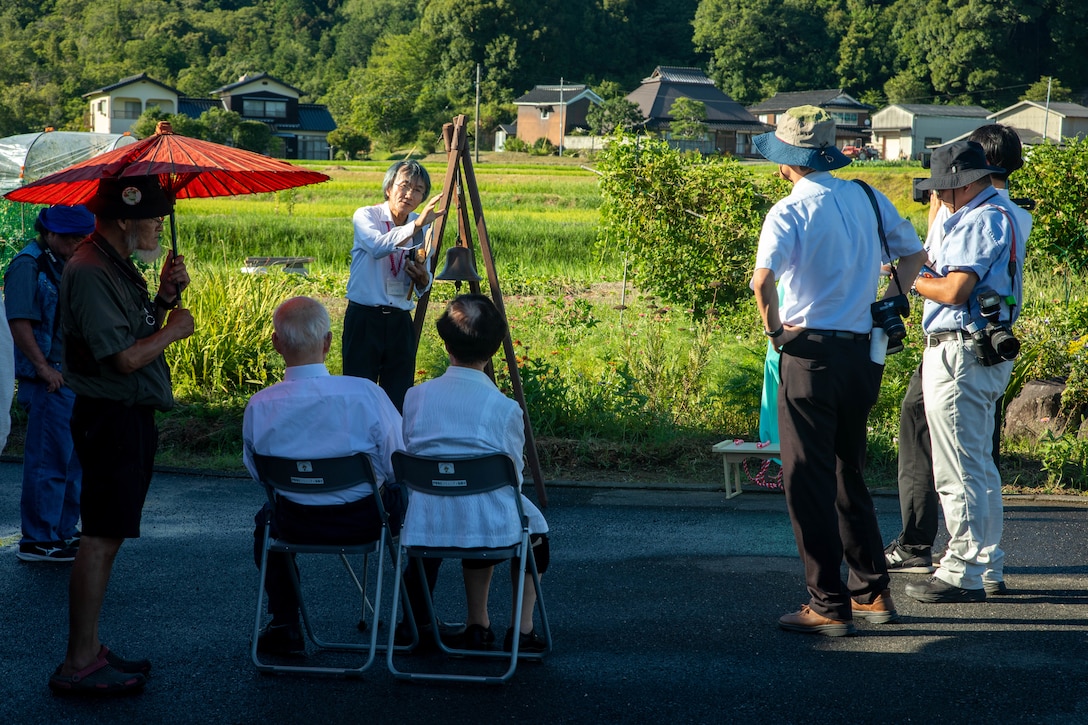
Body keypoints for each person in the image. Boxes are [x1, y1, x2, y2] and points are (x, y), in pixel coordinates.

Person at [750, 106, 926, 636]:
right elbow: (915, 255)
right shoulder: (868, 195)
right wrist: (892, 298)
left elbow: (762, 283)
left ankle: (827, 603)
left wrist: (776, 333)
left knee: (806, 479)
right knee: (849, 470)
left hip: (809, 353)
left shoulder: (787, 211)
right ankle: (872, 591)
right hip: (861, 351)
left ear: (786, 162)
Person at [47, 176, 193, 696]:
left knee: (106, 535)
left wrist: (163, 297)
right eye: (153, 215)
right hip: (110, 416)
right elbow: (125, 358)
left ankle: (88, 648)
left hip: (124, 416)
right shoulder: (89, 270)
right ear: (126, 217)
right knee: (100, 537)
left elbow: (134, 332)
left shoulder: (112, 264)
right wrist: (173, 328)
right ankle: (78, 661)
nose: (158, 223)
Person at [886, 124, 1032, 582]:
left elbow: (953, 289)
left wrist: (909, 278)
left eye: (944, 189)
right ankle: (986, 564)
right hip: (980, 348)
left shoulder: (980, 218)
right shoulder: (1000, 212)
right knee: (978, 465)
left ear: (965, 182)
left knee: (958, 470)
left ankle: (961, 568)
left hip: (959, 351)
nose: (941, 197)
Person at [243, 296, 405, 656]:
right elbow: (398, 462)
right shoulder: (365, 393)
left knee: (265, 523)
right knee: (407, 497)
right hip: (367, 520)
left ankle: (285, 622)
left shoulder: (259, 406)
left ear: (276, 344)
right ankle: (416, 619)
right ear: (329, 342)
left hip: (294, 523)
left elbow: (260, 476)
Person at [401, 294, 550, 653]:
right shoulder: (505, 408)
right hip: (489, 525)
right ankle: (521, 629)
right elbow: (511, 476)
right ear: (495, 347)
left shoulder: (415, 397)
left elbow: (410, 451)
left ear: (446, 342)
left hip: (426, 523)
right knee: (537, 530)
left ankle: (477, 625)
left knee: (472, 512)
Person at [5, 205, 94, 563]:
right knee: (48, 459)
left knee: (73, 461)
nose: (78, 243)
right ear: (51, 233)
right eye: (72, 238)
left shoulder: (65, 261)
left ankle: (61, 531)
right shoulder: (29, 265)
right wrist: (42, 368)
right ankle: (38, 538)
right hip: (50, 378)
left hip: (70, 375)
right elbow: (19, 321)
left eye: (82, 237)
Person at [342, 160, 444, 412]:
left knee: (398, 397)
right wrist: (416, 226)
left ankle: (393, 449)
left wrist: (422, 279)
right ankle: (359, 450)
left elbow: (425, 279)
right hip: (365, 318)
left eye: (418, 189)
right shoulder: (366, 215)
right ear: (389, 188)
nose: (409, 194)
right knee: (359, 394)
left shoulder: (423, 222)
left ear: (423, 197)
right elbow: (378, 247)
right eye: (405, 185)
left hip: (400, 321)